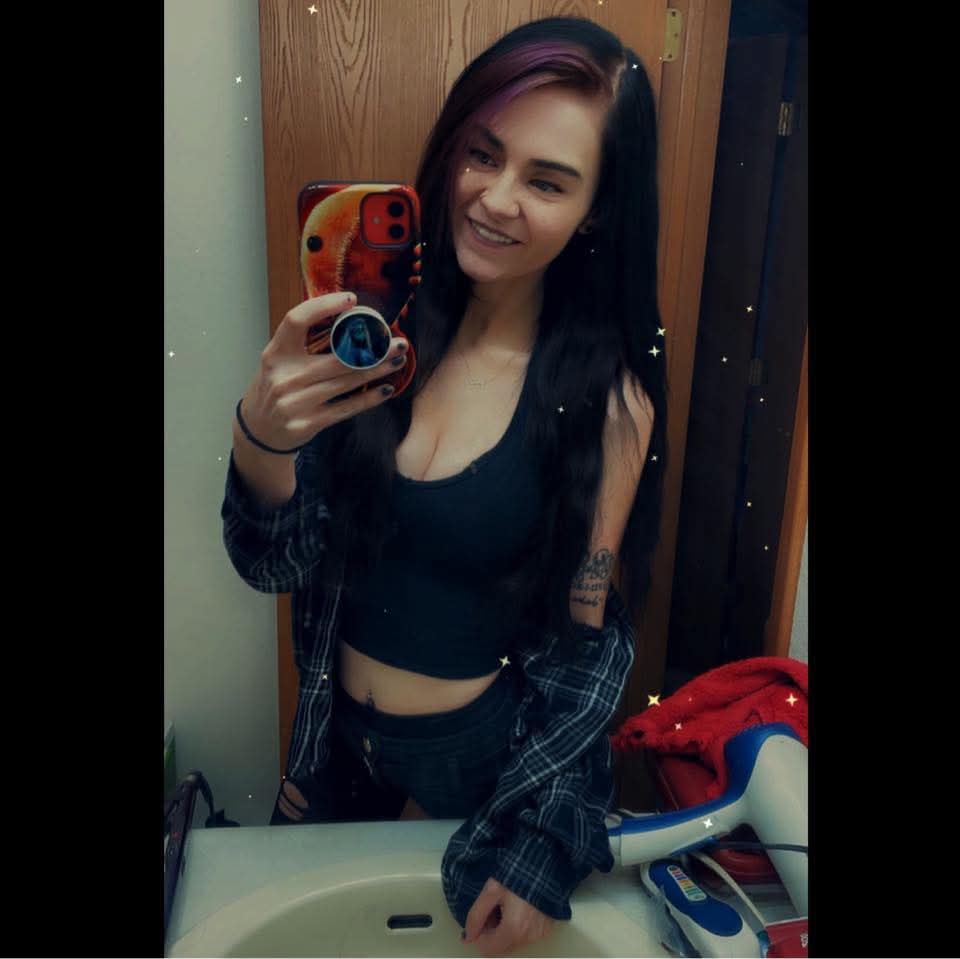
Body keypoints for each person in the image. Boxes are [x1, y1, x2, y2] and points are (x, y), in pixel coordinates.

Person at [222, 16, 667, 957]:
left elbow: (583, 656)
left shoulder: (606, 403)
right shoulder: (371, 336)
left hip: (481, 766)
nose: (495, 199)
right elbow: (274, 569)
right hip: (332, 746)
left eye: (547, 181)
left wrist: (542, 851)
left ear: (596, 210)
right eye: (484, 154)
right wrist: (261, 438)